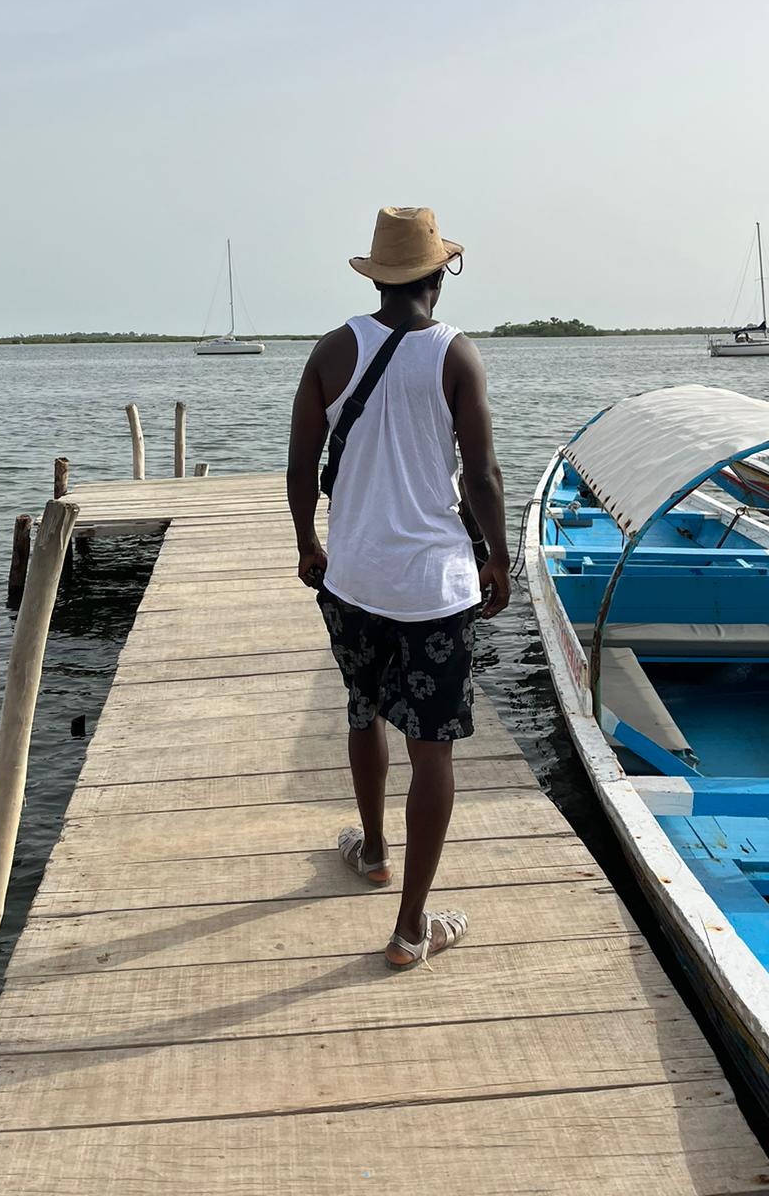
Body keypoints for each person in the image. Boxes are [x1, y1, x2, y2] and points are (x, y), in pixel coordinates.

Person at [286, 206, 509, 970]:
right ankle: (412, 928)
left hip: (353, 579)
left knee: (363, 711)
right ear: (438, 276)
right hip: (435, 587)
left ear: (379, 277)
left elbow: (300, 468)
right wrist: (499, 559)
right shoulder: (455, 354)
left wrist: (307, 543)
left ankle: (376, 852)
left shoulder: (331, 350)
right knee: (432, 750)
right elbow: (481, 475)